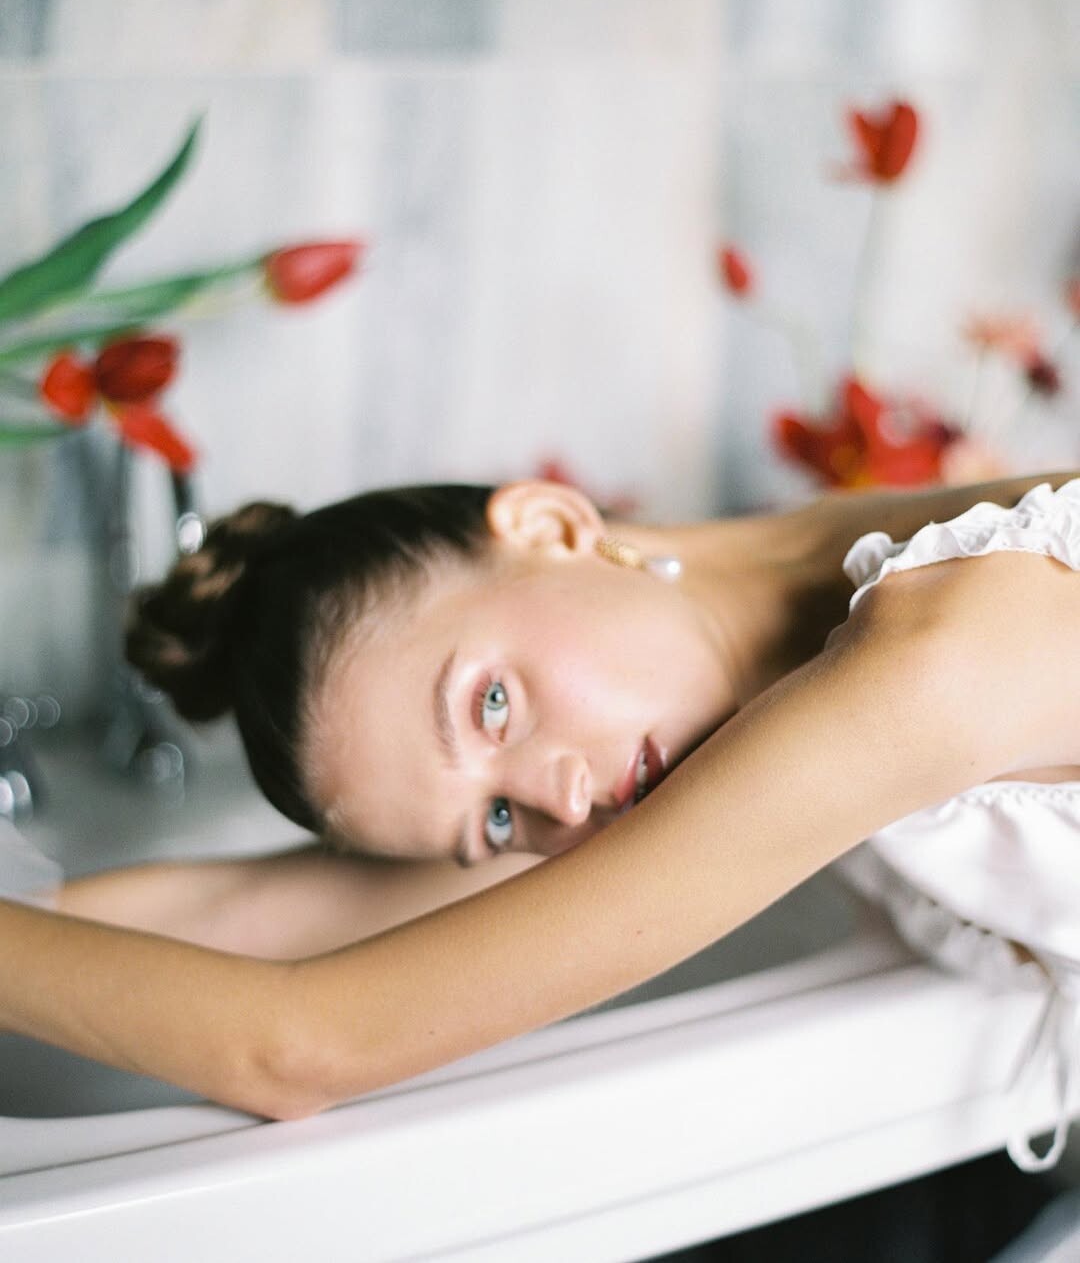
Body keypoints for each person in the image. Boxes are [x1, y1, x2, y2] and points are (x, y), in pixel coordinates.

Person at [3, 471, 1080, 1162]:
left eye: (491, 705)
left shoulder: (937, 652)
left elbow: (299, 1046)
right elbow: (243, 911)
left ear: (552, 522)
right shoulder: (779, 630)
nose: (561, 801)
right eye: (495, 824)